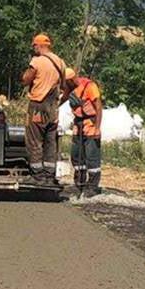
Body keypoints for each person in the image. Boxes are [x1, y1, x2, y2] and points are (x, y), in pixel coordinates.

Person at [20, 33, 64, 186]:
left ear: (39, 45)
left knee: (34, 140)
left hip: (39, 105)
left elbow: (26, 80)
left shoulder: (37, 61)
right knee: (50, 141)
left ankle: (37, 176)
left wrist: (25, 74)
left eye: (34, 45)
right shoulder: (59, 61)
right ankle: (49, 176)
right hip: (53, 107)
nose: (33, 48)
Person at [60, 68, 103, 199]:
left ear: (71, 80)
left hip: (90, 124)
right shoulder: (70, 89)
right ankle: (79, 183)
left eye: (66, 82)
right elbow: (62, 99)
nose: (64, 86)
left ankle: (93, 186)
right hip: (78, 125)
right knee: (76, 156)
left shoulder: (90, 86)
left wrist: (97, 128)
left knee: (92, 157)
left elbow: (98, 106)